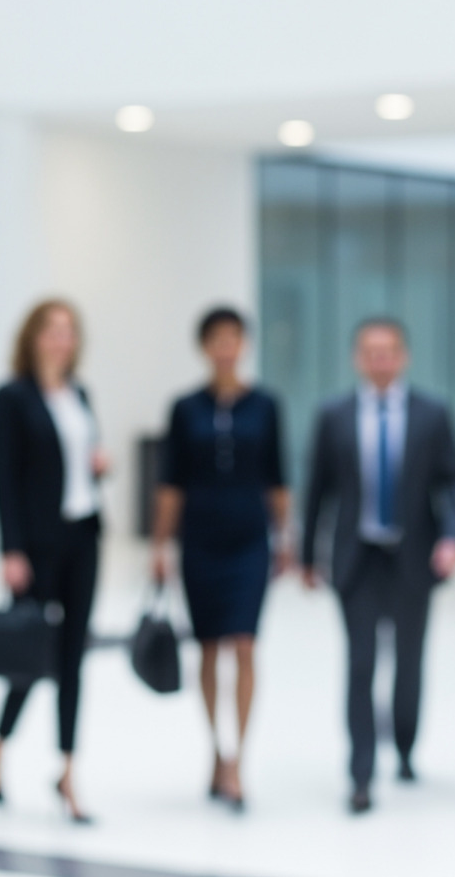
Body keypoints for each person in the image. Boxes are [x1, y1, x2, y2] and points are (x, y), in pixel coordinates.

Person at [301, 318, 455, 815]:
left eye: (389, 350)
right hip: (358, 557)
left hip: (413, 555)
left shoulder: (432, 414)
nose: (380, 359)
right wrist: (310, 555)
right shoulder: (334, 415)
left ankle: (407, 746)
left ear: (404, 356)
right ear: (356, 357)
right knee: (360, 662)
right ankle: (361, 769)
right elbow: (318, 491)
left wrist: (453, 538)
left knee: (409, 661)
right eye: (370, 351)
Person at [152, 307, 291, 812]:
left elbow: (278, 476)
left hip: (250, 538)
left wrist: (287, 537)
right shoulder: (185, 408)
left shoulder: (266, 405)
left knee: (246, 644)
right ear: (205, 347)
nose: (226, 347)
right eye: (217, 339)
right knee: (208, 647)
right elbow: (171, 483)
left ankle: (240, 761)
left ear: (244, 345)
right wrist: (160, 546)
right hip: (201, 539)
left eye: (234, 338)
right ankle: (216, 748)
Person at [0, 299, 109, 824]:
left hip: (84, 534)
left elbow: (80, 463)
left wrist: (98, 466)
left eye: (69, 331)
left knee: (72, 656)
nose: (62, 339)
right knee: (32, 653)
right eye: (52, 330)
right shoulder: (12, 398)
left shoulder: (80, 393)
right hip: (37, 544)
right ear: (33, 336)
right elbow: (5, 479)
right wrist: (10, 549)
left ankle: (67, 770)